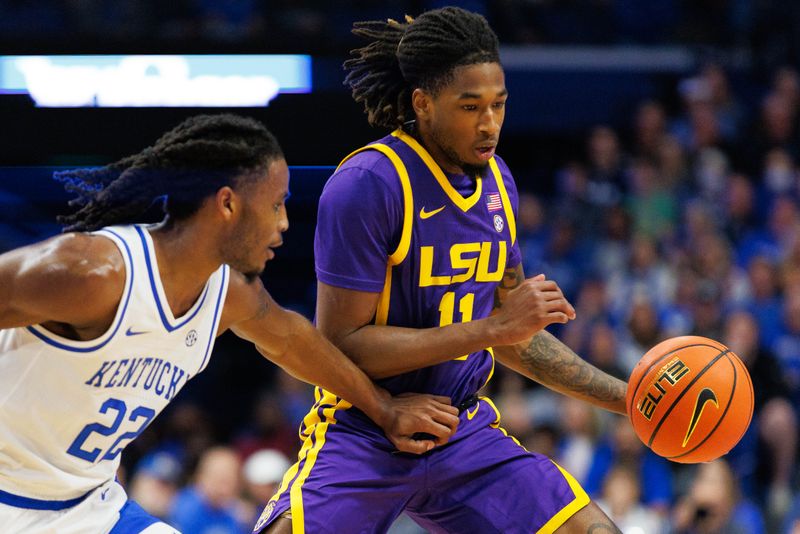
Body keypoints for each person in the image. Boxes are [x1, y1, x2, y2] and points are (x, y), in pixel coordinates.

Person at [257, 7, 628, 533]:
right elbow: (340, 344)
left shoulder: (498, 185)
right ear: (423, 103)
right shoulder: (369, 183)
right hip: (365, 427)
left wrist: (629, 399)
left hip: (462, 430)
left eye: (499, 105)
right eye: (470, 107)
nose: (490, 124)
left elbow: (513, 337)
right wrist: (488, 330)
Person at [0, 114, 462, 533]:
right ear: (227, 204)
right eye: (276, 204)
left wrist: (384, 409)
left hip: (90, 507)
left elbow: (291, 340)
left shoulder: (227, 294)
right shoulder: (92, 274)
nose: (284, 223)